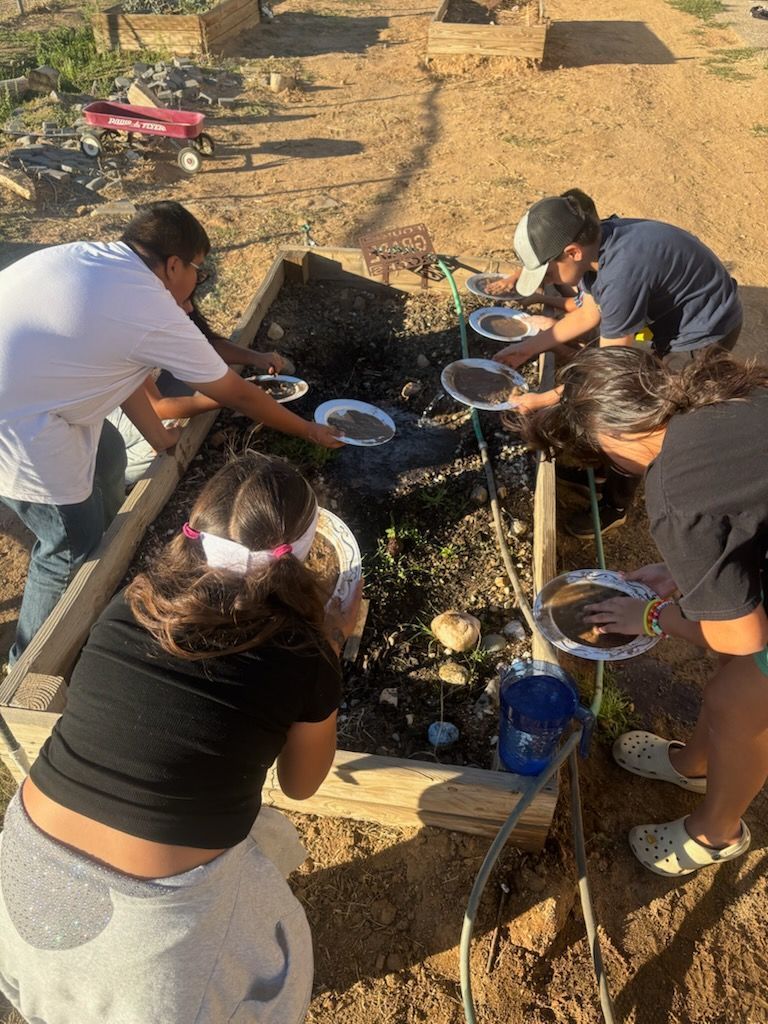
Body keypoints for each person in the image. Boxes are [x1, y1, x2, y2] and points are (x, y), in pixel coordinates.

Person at [0, 452, 363, 1023]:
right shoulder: (305, 653)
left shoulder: (134, 603)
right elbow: (300, 785)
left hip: (24, 868)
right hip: (156, 925)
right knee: (259, 978)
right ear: (302, 555)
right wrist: (333, 644)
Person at [0, 200, 340, 665]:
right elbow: (236, 394)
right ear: (174, 263)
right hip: (17, 425)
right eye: (198, 270)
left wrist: (162, 442)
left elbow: (113, 371)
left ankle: (110, 546)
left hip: (36, 396)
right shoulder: (147, 304)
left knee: (111, 452)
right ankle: (26, 664)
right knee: (67, 544)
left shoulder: (98, 261)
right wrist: (307, 430)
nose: (199, 281)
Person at [517, 345, 768, 877]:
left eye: (602, 456)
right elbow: (743, 509)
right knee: (734, 684)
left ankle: (716, 833)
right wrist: (682, 572)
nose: (609, 467)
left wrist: (651, 616)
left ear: (618, 432)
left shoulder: (675, 488)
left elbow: (744, 638)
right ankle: (695, 765)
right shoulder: (715, 400)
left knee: (736, 699)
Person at [494, 192, 743, 537]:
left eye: (547, 270)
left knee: (632, 418)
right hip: (678, 319)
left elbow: (606, 376)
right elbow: (589, 311)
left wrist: (541, 399)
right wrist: (526, 349)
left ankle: (615, 507)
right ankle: (599, 472)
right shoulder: (602, 242)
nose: (546, 281)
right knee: (611, 401)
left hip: (705, 333)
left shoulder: (622, 273)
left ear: (572, 252)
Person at [108, 298, 290, 486]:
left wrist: (255, 358)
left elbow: (204, 346)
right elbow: (157, 408)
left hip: (107, 416)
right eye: (184, 300)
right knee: (154, 451)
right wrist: (227, 398)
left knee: (165, 427)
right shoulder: (125, 333)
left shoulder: (153, 310)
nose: (190, 307)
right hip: (87, 445)